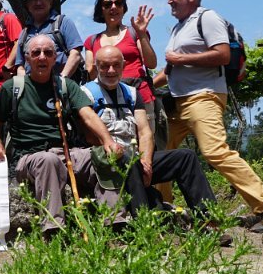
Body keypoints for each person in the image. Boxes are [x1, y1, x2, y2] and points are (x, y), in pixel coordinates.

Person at [161, 0, 263, 233]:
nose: (169, 1)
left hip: (203, 96)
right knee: (161, 155)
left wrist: (181, 59)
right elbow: (170, 68)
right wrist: (139, 86)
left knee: (214, 152)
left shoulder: (206, 18)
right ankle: (164, 211)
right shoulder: (179, 28)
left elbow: (222, 55)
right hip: (177, 103)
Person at [87, 46, 227, 241]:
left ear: (123, 66)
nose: (110, 71)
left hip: (134, 158)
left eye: (115, 65)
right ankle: (145, 227)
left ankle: (208, 221)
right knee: (128, 160)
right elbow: (88, 135)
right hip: (106, 162)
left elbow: (145, 131)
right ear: (96, 67)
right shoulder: (87, 93)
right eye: (104, 66)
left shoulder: (132, 93)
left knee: (184, 157)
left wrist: (147, 162)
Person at [0, 34, 119, 235]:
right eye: (36, 53)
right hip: (29, 157)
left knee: (102, 157)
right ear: (27, 58)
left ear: (55, 57)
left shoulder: (66, 86)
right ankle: (54, 230)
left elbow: (88, 116)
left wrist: (107, 141)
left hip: (65, 152)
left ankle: (117, 222)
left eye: (48, 53)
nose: (42, 57)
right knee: (48, 160)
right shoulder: (12, 88)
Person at [82, 0, 157, 123]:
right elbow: (91, 74)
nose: (113, 7)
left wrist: (142, 33)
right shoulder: (92, 41)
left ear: (124, 8)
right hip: (107, 102)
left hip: (140, 96)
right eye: (107, 4)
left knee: (145, 140)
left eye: (118, 3)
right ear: (101, 10)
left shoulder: (135, 32)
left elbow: (151, 64)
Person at [8, 0, 84, 80]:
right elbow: (20, 67)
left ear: (50, 2)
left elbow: (75, 54)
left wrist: (62, 81)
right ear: (27, 4)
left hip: (62, 88)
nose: (38, 2)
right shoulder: (24, 33)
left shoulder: (63, 23)